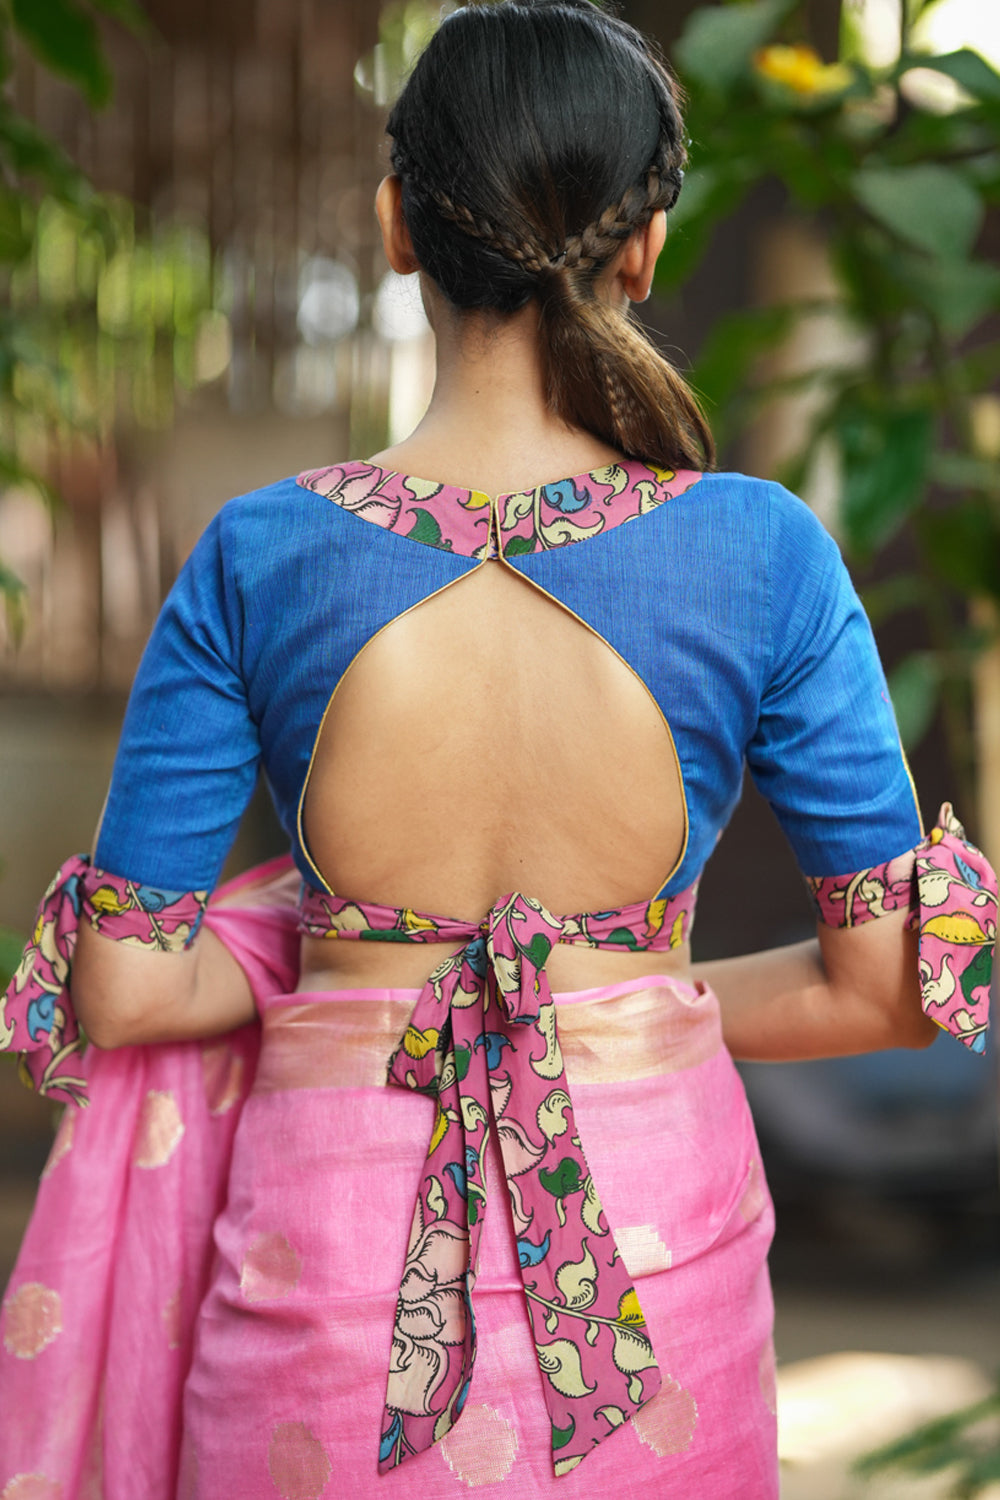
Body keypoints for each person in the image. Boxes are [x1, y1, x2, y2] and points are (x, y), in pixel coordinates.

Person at [1, 2, 995, 1497]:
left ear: (397, 224)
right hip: (661, 1281)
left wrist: (332, 957)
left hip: (318, 1272)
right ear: (645, 244)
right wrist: (605, 999)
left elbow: (128, 993)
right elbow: (885, 988)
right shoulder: (764, 555)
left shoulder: (259, 557)